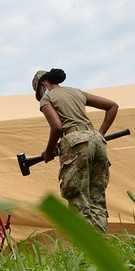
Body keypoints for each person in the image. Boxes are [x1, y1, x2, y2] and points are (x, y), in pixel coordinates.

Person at [33, 68, 118, 234]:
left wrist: (48, 151)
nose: (40, 97)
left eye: (39, 93)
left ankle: (87, 251)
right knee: (97, 198)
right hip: (96, 141)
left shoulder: (47, 99)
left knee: (77, 196)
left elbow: (57, 126)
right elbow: (112, 106)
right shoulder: (76, 92)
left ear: (43, 85)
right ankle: (102, 245)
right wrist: (99, 134)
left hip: (75, 143)